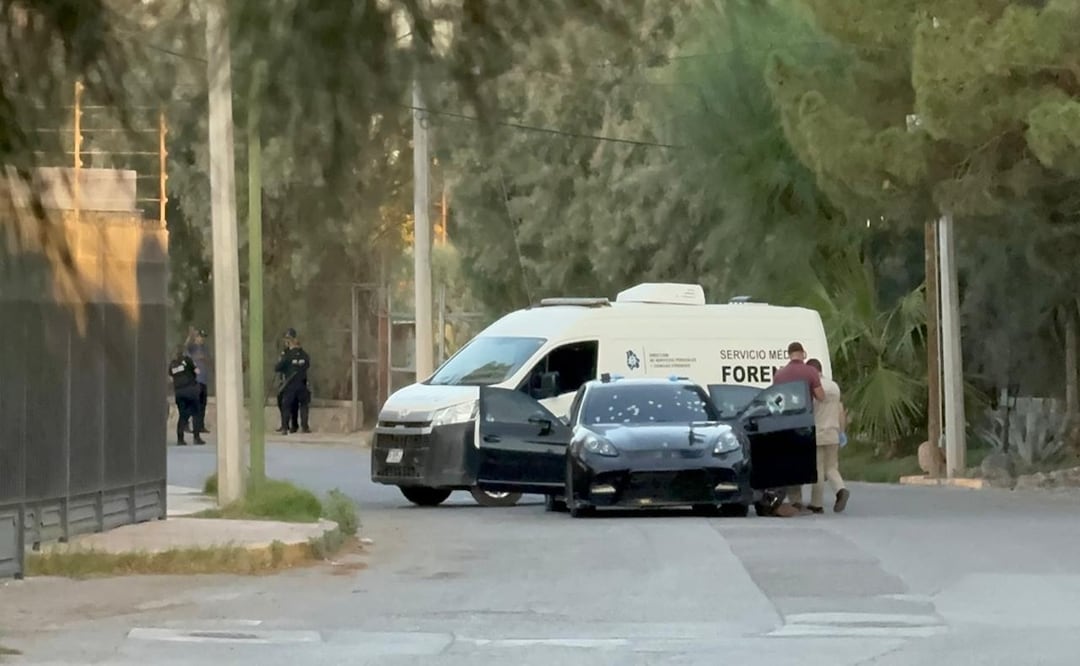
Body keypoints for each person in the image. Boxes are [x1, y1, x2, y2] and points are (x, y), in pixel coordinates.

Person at [773, 341, 825, 513]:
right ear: (803, 353)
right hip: (805, 422)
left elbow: (775, 399)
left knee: (791, 460)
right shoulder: (810, 372)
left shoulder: (779, 375)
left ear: (789, 354)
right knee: (808, 460)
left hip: (787, 423)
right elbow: (820, 396)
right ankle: (813, 501)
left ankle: (796, 500)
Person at [806, 358, 850, 513]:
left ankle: (816, 504)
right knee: (831, 467)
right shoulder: (834, 386)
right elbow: (840, 410)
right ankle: (841, 489)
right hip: (833, 432)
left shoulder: (812, 387)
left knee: (818, 469)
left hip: (818, 432)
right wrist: (842, 432)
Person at [275, 328, 312, 434]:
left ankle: (285, 427)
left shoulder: (287, 355)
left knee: (286, 405)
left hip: (290, 385)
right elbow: (307, 365)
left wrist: (281, 361)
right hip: (302, 384)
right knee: (304, 405)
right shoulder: (304, 355)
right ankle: (304, 427)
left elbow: (277, 368)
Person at [169, 345, 205, 446]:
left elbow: (171, 378)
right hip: (191, 391)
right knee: (196, 414)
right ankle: (196, 438)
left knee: (182, 416)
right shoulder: (187, 360)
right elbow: (197, 371)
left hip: (179, 392)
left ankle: (180, 439)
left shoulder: (172, 365)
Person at [185, 327, 212, 435]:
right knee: (193, 404)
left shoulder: (205, 349)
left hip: (203, 379)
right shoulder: (192, 348)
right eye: (200, 337)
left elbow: (209, 360)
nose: (202, 339)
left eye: (203, 337)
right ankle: (186, 424)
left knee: (202, 404)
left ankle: (200, 425)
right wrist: (190, 336)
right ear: (196, 338)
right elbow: (185, 349)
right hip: (195, 380)